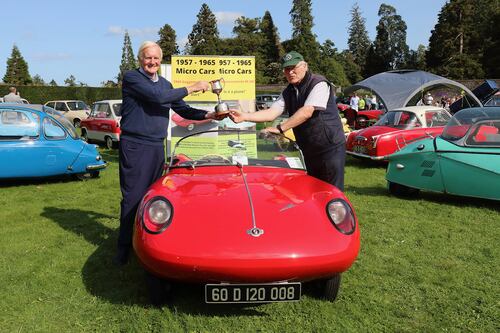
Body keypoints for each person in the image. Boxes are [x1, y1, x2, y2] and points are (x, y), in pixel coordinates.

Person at [114, 41, 225, 265]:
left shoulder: (165, 83)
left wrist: (209, 116)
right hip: (135, 144)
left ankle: (151, 241)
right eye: (148, 58)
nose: (152, 62)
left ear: (160, 60)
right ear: (140, 59)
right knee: (133, 197)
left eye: (156, 58)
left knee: (156, 195)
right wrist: (192, 87)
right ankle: (123, 247)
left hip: (157, 145)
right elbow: (157, 98)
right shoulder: (133, 78)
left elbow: (182, 109)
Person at [229, 51, 346, 191]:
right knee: (311, 190)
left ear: (305, 66)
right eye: (286, 69)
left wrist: (280, 128)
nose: (290, 72)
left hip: (329, 147)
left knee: (331, 192)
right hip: (307, 149)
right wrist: (244, 116)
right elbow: (272, 112)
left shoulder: (319, 83)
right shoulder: (289, 91)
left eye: (293, 68)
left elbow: (307, 111)